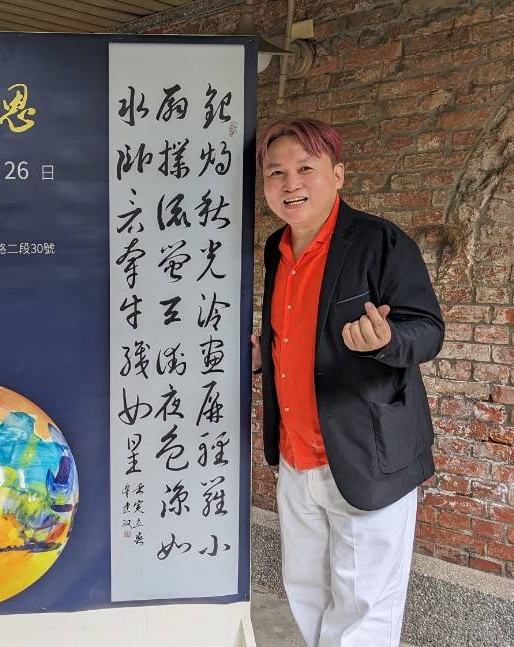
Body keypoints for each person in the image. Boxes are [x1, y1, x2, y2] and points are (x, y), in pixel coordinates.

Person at [250, 119, 443, 647]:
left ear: (337, 175)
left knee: (365, 608)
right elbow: (295, 334)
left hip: (367, 452)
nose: (291, 184)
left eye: (305, 168)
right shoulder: (276, 248)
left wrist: (386, 340)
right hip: (296, 456)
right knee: (305, 591)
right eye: (276, 172)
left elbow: (427, 330)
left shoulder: (380, 241)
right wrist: (262, 355)